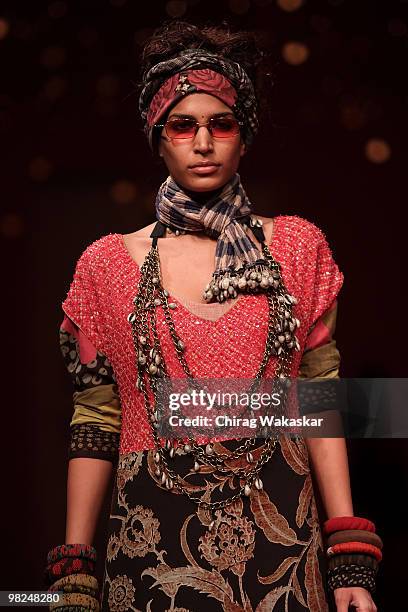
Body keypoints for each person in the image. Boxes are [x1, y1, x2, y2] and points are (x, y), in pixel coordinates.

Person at [45, 20, 382, 612]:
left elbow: (319, 398)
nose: (203, 143)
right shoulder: (105, 265)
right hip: (149, 537)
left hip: (282, 533)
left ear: (243, 136)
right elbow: (96, 416)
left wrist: (348, 550)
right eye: (182, 125)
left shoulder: (297, 249)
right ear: (158, 137)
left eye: (220, 124)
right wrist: (75, 570)